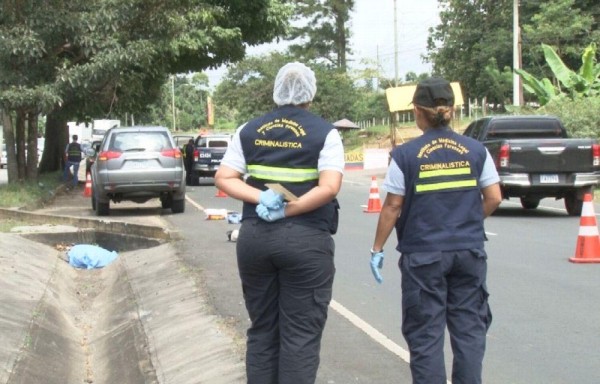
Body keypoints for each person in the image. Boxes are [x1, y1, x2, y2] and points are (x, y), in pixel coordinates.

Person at [215, 62, 344, 384]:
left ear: (276, 90)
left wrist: (260, 198)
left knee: (262, 329)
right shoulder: (325, 133)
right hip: (306, 241)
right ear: (310, 92)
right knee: (300, 334)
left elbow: (224, 177)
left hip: (255, 239)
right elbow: (329, 187)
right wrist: (287, 211)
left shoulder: (249, 129)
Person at [369, 77, 502, 384]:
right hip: (468, 252)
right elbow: (494, 197)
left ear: (417, 112)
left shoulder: (405, 155)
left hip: (423, 256)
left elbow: (392, 207)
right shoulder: (476, 150)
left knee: (425, 335)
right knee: (469, 331)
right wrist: (466, 222)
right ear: (452, 110)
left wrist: (377, 248)